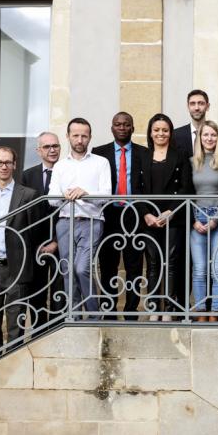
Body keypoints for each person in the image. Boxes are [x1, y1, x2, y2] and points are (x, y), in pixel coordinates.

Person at [48, 118, 111, 316]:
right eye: (75, 135)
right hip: (65, 222)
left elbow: (107, 195)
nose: (80, 139)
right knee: (68, 271)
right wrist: (63, 196)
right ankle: (73, 316)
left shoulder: (101, 162)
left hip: (91, 222)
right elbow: (51, 198)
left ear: (90, 138)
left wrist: (86, 193)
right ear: (68, 137)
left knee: (82, 268)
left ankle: (93, 315)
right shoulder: (59, 166)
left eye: (84, 135)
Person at [92, 112, 151, 319]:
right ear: (112, 128)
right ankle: (108, 311)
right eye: (118, 124)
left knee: (134, 265)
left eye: (127, 124)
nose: (122, 128)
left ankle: (131, 311)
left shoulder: (145, 153)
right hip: (109, 214)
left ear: (133, 128)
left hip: (134, 214)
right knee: (108, 265)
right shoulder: (99, 153)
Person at [142, 113, 194, 320]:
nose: (160, 133)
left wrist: (170, 212)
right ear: (150, 132)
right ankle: (154, 307)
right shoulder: (143, 156)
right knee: (153, 262)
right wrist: (146, 213)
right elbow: (137, 190)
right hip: (149, 219)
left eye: (164, 130)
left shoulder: (180, 155)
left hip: (174, 217)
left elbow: (186, 187)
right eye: (156, 130)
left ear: (170, 133)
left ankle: (171, 308)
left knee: (172, 263)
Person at [0, 147, 37, 349]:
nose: (3, 166)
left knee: (16, 325)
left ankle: (14, 369)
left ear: (15, 165)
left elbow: (35, 233)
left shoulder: (28, 195)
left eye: (7, 162)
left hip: (17, 267)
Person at [21, 132, 64, 327]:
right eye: (47, 147)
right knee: (36, 291)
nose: (52, 150)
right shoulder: (27, 175)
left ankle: (56, 328)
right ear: (38, 151)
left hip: (62, 240)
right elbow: (23, 213)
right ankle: (39, 331)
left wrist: (56, 240)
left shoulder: (68, 171)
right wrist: (35, 244)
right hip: (35, 243)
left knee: (59, 290)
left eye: (55, 146)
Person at [190, 121, 218, 322]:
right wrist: (195, 220)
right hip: (197, 219)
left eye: (213, 135)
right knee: (200, 268)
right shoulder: (192, 162)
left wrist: (216, 219)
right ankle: (200, 311)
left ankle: (214, 311)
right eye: (205, 135)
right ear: (199, 137)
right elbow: (188, 194)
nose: (209, 138)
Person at [174, 89, 218, 158]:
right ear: (188, 107)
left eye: (201, 103)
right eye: (192, 104)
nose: (196, 108)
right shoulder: (176, 135)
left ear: (207, 106)